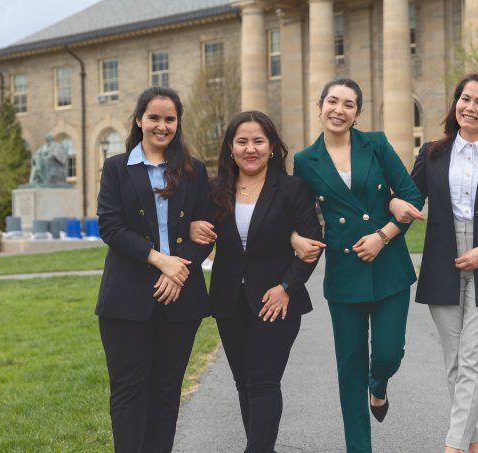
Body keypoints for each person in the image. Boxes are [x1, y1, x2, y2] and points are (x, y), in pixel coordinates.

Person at [389, 72, 478, 453]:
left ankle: (452, 447)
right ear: (456, 103)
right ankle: (476, 442)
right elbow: (409, 199)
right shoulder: (432, 152)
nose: (471, 107)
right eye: (465, 99)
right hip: (442, 262)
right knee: (454, 362)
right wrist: (393, 204)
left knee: (473, 359)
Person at [291, 77, 424, 453]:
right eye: (332, 101)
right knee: (350, 370)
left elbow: (411, 196)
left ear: (358, 114)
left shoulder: (377, 144)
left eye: (348, 104)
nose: (339, 109)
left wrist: (383, 234)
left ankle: (378, 385)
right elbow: (296, 214)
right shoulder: (305, 161)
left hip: (389, 266)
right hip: (345, 273)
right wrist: (295, 238)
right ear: (319, 107)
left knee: (387, 353)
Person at [188, 111, 323, 452]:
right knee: (244, 382)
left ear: (273, 146)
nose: (251, 148)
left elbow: (312, 243)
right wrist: (191, 227)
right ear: (230, 148)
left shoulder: (292, 189)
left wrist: (286, 287)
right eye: (242, 141)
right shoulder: (214, 189)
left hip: (277, 300)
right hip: (228, 300)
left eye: (259, 141)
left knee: (264, 382)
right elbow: (196, 228)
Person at [95, 86, 212, 452]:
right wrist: (161, 261)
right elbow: (110, 227)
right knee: (129, 392)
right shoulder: (116, 167)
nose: (162, 126)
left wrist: (180, 271)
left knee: (165, 393)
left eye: (170, 119)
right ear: (139, 120)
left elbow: (206, 230)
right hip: (126, 299)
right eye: (154, 118)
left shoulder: (195, 171)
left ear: (178, 123)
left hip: (182, 299)